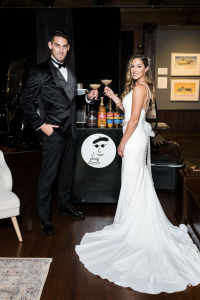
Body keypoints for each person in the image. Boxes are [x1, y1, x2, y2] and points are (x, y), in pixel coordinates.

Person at [75, 53, 200, 294]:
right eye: (131, 66)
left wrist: (122, 142)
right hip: (135, 137)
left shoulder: (141, 87)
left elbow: (132, 120)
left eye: (138, 66)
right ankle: (129, 222)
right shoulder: (139, 88)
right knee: (134, 182)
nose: (134, 69)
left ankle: (133, 228)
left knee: (134, 181)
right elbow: (128, 110)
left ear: (146, 69)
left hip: (132, 139)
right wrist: (114, 98)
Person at [21, 30, 98, 235]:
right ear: (50, 45)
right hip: (52, 133)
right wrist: (41, 124)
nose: (61, 50)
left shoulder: (69, 71)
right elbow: (25, 101)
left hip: (70, 130)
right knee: (48, 176)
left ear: (68, 48)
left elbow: (69, 101)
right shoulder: (39, 71)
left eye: (64, 46)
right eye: (57, 45)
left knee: (66, 174)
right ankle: (44, 218)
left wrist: (88, 98)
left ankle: (65, 206)